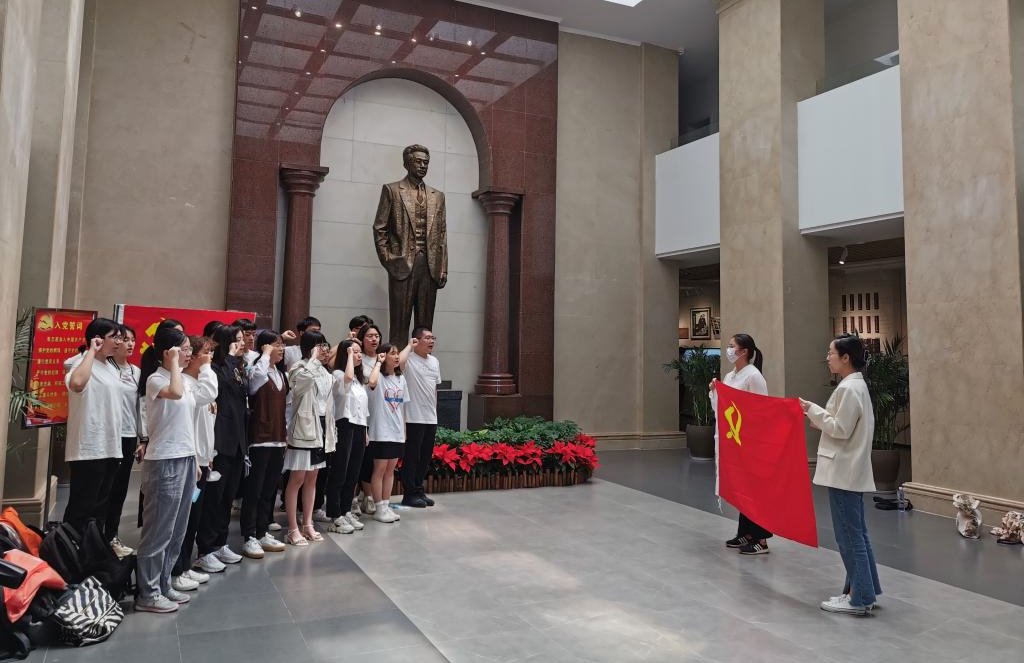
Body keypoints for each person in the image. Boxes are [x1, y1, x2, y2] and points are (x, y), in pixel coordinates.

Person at [799, 334, 881, 616]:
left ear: (846, 358)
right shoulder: (856, 385)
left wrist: (812, 410)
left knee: (849, 536)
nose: (827, 358)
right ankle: (865, 590)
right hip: (850, 469)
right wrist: (820, 419)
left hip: (844, 470)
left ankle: (859, 598)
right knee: (857, 534)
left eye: (831, 353)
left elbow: (840, 428)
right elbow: (842, 424)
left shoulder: (849, 388)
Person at [135, 328, 196, 613]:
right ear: (167, 352)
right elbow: (175, 393)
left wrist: (194, 458)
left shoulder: (181, 378)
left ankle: (163, 583)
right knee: (159, 529)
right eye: (183, 349)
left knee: (177, 529)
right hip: (164, 460)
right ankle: (147, 593)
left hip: (185, 457)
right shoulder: (156, 379)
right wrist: (172, 363)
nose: (188, 353)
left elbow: (187, 421)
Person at [372, 144, 448, 346]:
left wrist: (443, 268)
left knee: (425, 324)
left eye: (426, 162)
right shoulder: (392, 190)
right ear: (407, 164)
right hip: (402, 264)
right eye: (418, 161)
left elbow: (442, 235)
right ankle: (395, 363)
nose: (423, 166)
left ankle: (422, 361)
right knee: (400, 322)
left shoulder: (438, 196)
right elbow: (380, 228)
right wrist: (389, 260)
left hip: (430, 267)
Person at [709, 334, 772, 555]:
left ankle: (761, 539)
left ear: (744, 351)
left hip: (750, 441)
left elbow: (761, 409)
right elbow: (722, 408)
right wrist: (715, 391)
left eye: (731, 346)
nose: (728, 349)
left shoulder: (753, 376)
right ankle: (745, 532)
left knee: (755, 490)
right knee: (743, 488)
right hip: (735, 440)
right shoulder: (730, 375)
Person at [194, 325, 248, 572]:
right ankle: (205, 548)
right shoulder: (215, 368)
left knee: (227, 497)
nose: (242, 344)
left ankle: (220, 543)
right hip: (220, 441)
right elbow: (222, 387)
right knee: (214, 498)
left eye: (242, 340)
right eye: (237, 340)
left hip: (237, 440)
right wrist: (231, 359)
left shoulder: (236, 367)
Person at [64, 318, 124, 538]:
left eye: (120, 337)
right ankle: (70, 550)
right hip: (88, 449)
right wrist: (91, 351)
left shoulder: (111, 367)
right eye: (114, 337)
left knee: (99, 511)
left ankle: (93, 550)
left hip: (110, 447)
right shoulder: (80, 363)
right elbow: (77, 384)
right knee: (82, 508)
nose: (119, 342)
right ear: (97, 339)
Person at [171, 335, 218, 590]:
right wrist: (207, 367)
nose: (210, 358)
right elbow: (209, 393)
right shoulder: (187, 383)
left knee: (194, 518)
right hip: (191, 459)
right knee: (184, 520)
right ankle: (176, 569)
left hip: (202, 458)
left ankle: (185, 565)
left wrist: (208, 456)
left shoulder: (197, 382)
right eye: (206, 353)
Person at [283, 331, 336, 545]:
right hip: (303, 429)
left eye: (325, 345)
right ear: (310, 347)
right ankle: (292, 528)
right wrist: (313, 360)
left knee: (313, 478)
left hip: (321, 428)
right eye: (320, 346)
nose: (324, 350)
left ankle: (307, 523)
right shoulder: (299, 367)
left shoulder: (325, 371)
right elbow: (299, 387)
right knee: (297, 478)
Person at [241, 330, 289, 557]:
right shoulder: (256, 371)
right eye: (276, 344)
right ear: (265, 347)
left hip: (278, 439)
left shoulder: (280, 374)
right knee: (255, 490)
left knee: (269, 490)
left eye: (282, 345)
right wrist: (265, 355)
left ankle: (262, 532)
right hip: (260, 438)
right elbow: (254, 384)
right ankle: (249, 536)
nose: (282, 349)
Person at [323, 340, 369, 534]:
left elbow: (363, 408)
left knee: (353, 472)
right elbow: (347, 379)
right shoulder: (338, 374)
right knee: (340, 471)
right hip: (344, 425)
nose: (358, 355)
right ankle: (335, 515)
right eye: (354, 352)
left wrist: (365, 431)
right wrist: (349, 354)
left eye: (359, 352)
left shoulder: (359, 379)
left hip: (359, 426)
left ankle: (345, 509)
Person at [104, 324, 140, 559]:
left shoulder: (137, 372)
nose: (129, 344)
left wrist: (142, 438)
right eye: (124, 339)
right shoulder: (105, 368)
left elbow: (141, 408)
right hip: (108, 436)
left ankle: (112, 536)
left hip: (128, 436)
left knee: (119, 489)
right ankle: (96, 538)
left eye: (132, 340)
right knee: (104, 489)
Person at [398, 326, 441, 508]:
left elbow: (434, 389)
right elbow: (398, 362)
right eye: (427, 338)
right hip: (413, 417)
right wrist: (409, 345)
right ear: (416, 340)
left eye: (433, 338)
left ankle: (418, 490)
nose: (431, 341)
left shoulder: (434, 361)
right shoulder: (409, 359)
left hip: (430, 417)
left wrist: (434, 412)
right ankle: (409, 494)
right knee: (412, 457)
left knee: (424, 458)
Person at [367, 343, 407, 523]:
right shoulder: (379, 377)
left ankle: (386, 505)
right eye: (392, 353)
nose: (397, 356)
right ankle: (378, 508)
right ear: (384, 356)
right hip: (380, 430)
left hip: (396, 432)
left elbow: (403, 408)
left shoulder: (401, 378)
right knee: (380, 469)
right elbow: (371, 382)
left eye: (397, 353)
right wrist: (378, 362)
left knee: (391, 470)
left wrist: (403, 432)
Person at [355, 324, 383, 515]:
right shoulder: (358, 358)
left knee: (374, 459)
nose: (374, 339)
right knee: (361, 459)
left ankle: (369, 496)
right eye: (370, 336)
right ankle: (356, 498)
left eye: (377, 336)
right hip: (361, 415)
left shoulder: (384, 358)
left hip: (380, 414)